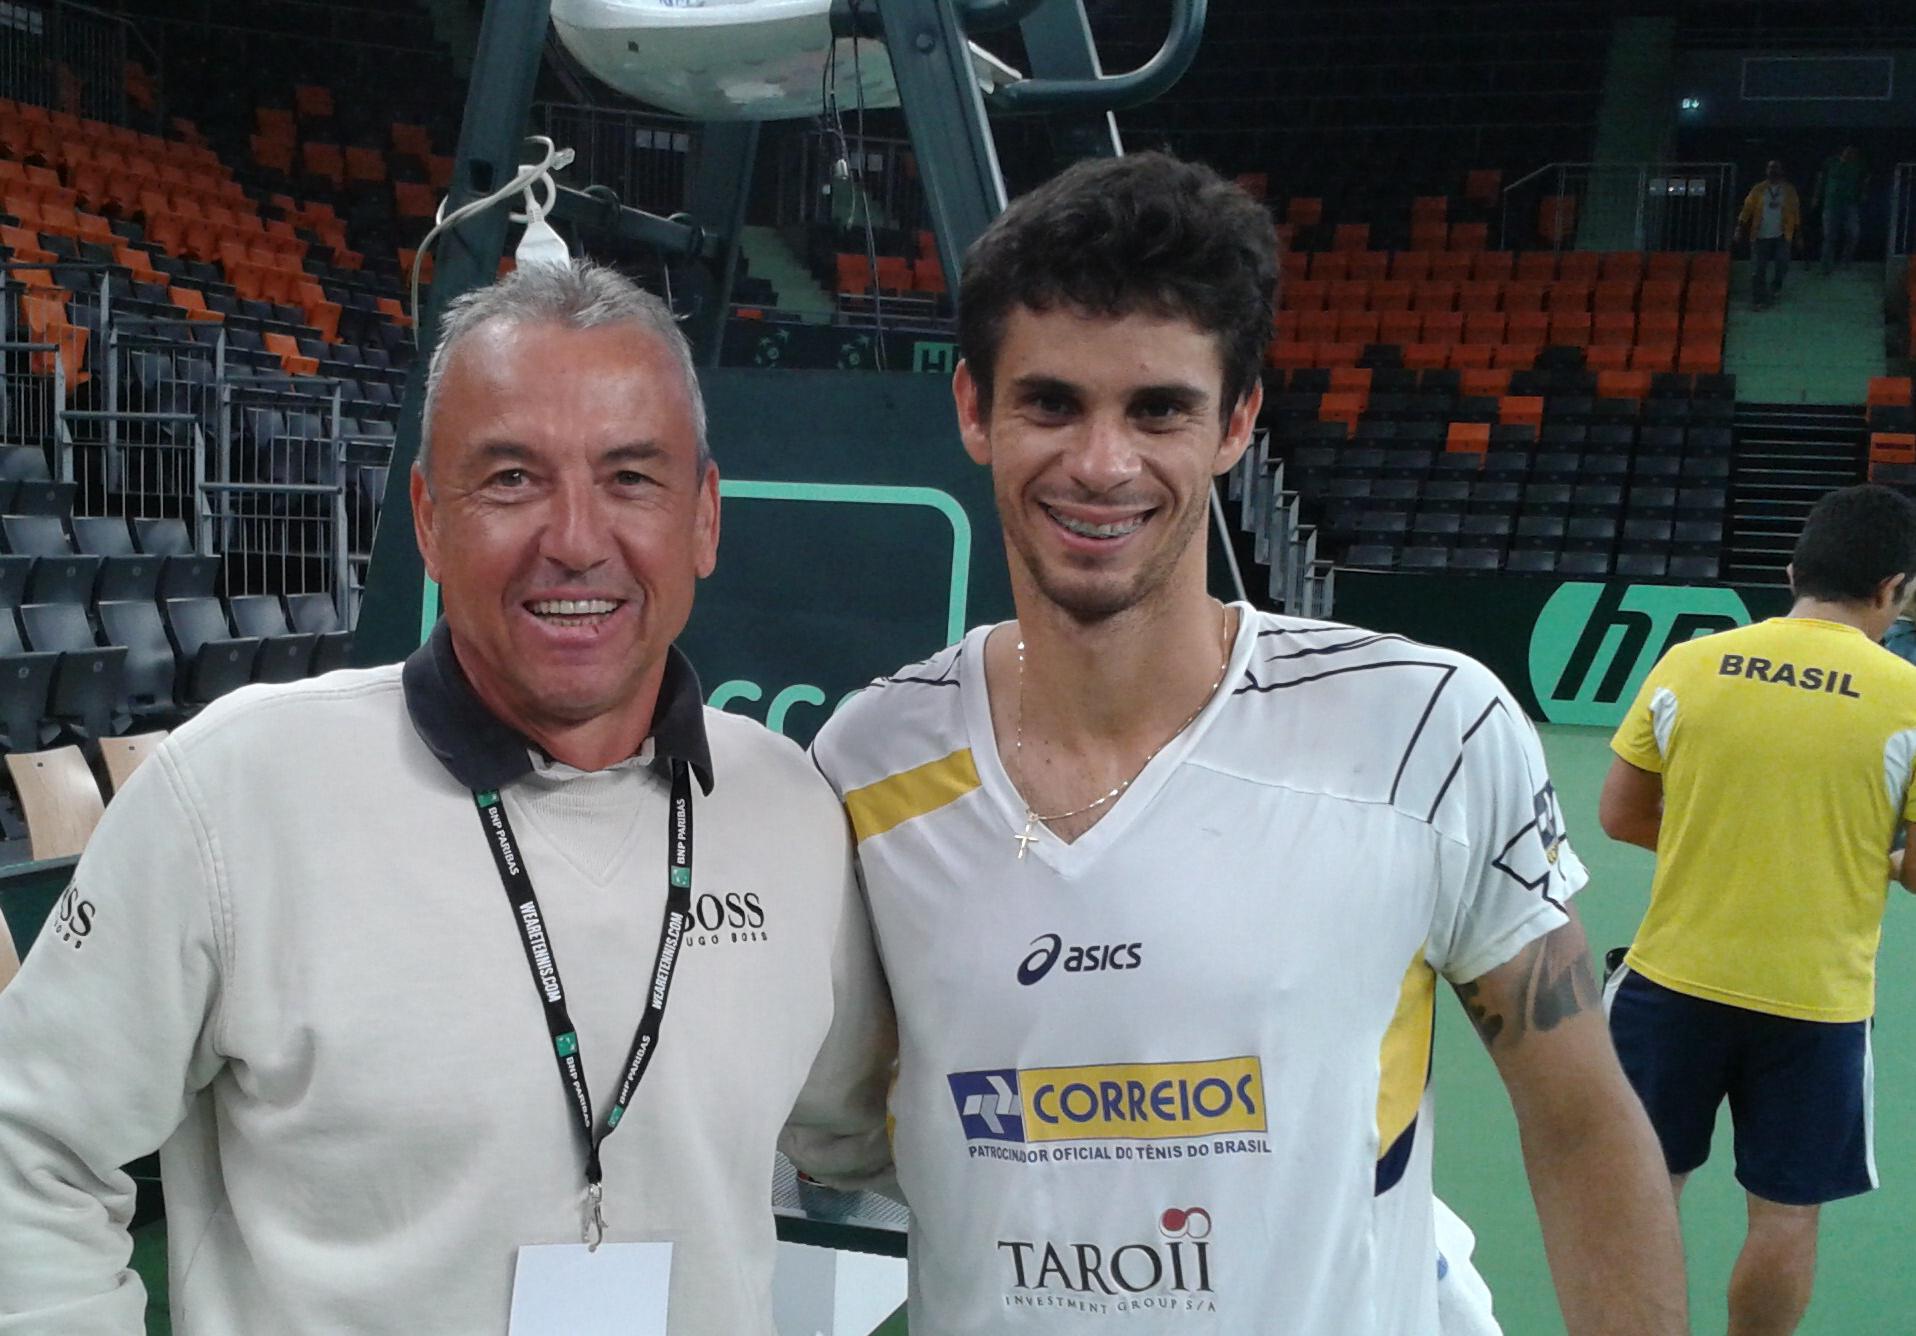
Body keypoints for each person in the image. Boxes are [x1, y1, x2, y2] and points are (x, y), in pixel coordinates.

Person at [800, 151, 1687, 1334]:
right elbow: (846, 1122)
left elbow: (1578, 1120)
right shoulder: (867, 759)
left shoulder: (1427, 731)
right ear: (973, 409)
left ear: (1235, 422)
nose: (1100, 462)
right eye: (1050, 401)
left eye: (1157, 407)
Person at [0, 261, 893, 1334]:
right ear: (427, 515)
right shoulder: (234, 794)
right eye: (511, 478)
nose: (573, 537)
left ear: (702, 516)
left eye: (630, 477)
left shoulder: (788, 810)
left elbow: (874, 1127)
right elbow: (29, 1148)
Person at [1599, 483, 1916, 1336]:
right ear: (1893, 589)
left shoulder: (1690, 663)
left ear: (1793, 573)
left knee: (1644, 1193)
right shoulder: (1908, 697)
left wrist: (1725, 836)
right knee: (1784, 1216)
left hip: (1671, 983)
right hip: (1816, 1003)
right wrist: (1863, 856)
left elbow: (1621, 814)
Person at [1736, 160, 1801, 309]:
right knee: (1758, 268)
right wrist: (1739, 227)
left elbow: (1795, 212)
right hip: (1760, 235)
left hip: (1782, 235)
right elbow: (1747, 209)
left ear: (1781, 171)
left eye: (1776, 168)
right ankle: (1758, 299)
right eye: (1770, 168)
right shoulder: (1758, 189)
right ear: (1766, 171)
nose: (1773, 171)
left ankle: (1776, 286)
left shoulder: (1789, 190)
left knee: (1783, 264)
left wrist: (1798, 234)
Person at [1810, 146, 1867, 275]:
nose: (1851, 154)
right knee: (1830, 236)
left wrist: (1863, 192)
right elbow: (1820, 179)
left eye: (1854, 153)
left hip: (1850, 205)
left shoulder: (1858, 165)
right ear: (1843, 151)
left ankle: (1846, 261)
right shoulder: (1831, 162)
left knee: (1853, 234)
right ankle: (1826, 267)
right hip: (1831, 205)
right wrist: (1816, 196)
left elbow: (1865, 179)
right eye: (1849, 151)